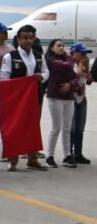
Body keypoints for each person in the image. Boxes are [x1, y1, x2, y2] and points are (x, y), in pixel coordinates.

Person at [0, 24, 49, 172]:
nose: (28, 41)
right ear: (18, 39)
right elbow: (4, 78)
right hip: (17, 99)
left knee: (33, 126)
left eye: (31, 38)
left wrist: (41, 76)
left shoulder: (39, 56)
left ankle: (32, 159)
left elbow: (47, 72)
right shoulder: (10, 57)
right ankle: (12, 159)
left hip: (35, 96)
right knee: (15, 127)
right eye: (25, 38)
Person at [44, 39, 80, 168]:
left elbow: (76, 77)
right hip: (55, 97)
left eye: (63, 45)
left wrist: (70, 84)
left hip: (68, 98)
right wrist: (70, 57)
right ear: (52, 48)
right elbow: (68, 66)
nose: (62, 47)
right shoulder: (50, 60)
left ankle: (67, 156)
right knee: (56, 128)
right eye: (58, 45)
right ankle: (50, 156)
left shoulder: (66, 60)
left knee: (67, 128)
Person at [71, 44, 93, 164]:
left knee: (80, 129)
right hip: (71, 100)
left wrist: (87, 69)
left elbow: (89, 81)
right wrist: (81, 65)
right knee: (72, 129)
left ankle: (78, 153)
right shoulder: (69, 64)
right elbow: (74, 78)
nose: (84, 56)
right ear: (75, 53)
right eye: (82, 53)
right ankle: (69, 153)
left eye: (85, 54)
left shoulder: (83, 65)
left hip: (82, 99)